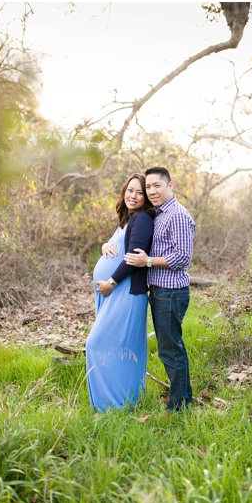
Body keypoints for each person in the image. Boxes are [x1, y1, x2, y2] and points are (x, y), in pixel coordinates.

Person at [124, 166, 196, 411]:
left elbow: (182, 257)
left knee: (169, 349)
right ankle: (183, 398)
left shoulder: (177, 214)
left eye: (157, 186)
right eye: (149, 187)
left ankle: (180, 405)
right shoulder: (158, 213)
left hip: (171, 292)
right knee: (170, 347)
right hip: (159, 291)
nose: (152, 191)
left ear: (170, 185)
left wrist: (147, 261)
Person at [85, 173, 155, 412]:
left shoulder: (143, 219)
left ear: (146, 198)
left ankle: (116, 404)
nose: (133, 196)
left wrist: (111, 283)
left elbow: (134, 257)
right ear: (124, 191)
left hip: (124, 292)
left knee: (99, 343)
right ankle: (116, 406)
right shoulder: (127, 219)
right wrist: (105, 245)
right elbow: (118, 247)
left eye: (139, 192)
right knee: (114, 347)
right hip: (113, 293)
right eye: (130, 190)